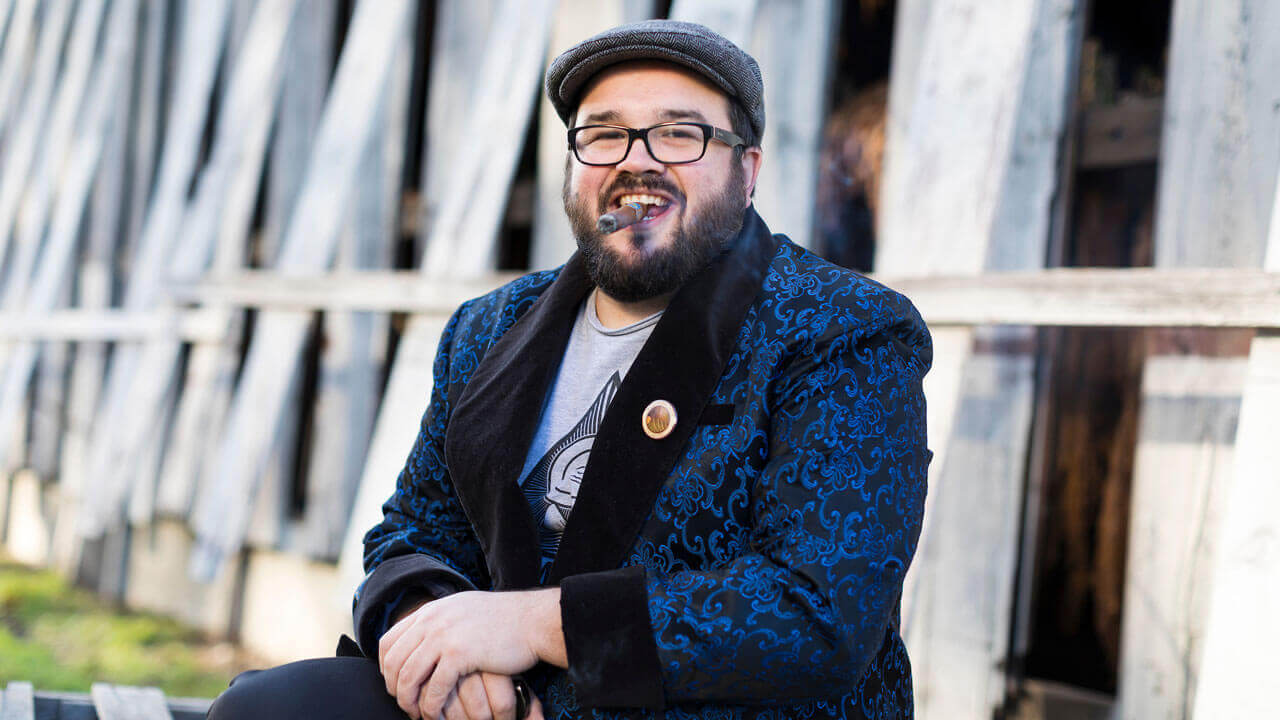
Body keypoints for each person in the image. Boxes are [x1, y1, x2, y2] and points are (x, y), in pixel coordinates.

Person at [208, 19, 931, 720]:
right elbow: (414, 531)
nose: (635, 159)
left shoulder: (843, 328)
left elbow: (817, 612)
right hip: (504, 706)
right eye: (604, 133)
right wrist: (445, 643)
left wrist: (526, 625)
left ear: (747, 170)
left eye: (680, 132)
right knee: (263, 708)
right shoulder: (490, 326)